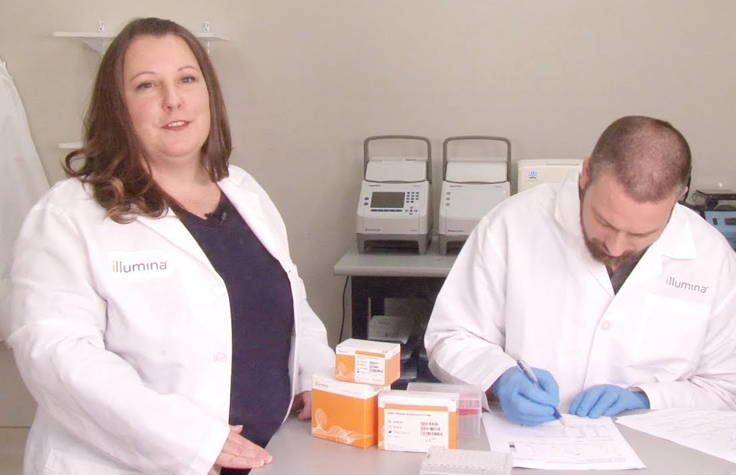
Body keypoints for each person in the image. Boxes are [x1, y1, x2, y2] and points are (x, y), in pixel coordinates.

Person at [2, 17, 334, 474]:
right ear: (117, 107)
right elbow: (57, 355)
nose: (173, 99)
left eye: (187, 79)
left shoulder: (244, 192)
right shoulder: (69, 214)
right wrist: (190, 440)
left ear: (209, 93)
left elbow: (290, 305)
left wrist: (316, 377)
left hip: (261, 458)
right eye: (146, 85)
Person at [424, 116, 736, 426]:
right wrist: (499, 378)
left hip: (656, 448)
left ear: (678, 198)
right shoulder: (512, 224)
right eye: (604, 221)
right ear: (586, 173)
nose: (615, 247)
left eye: (640, 234)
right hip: (525, 441)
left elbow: (724, 388)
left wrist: (647, 400)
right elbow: (450, 337)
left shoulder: (711, 256)